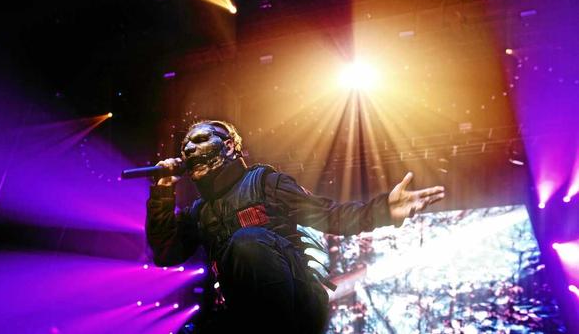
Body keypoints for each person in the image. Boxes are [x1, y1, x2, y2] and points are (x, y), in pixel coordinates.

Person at [146, 120, 445, 333]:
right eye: (185, 143)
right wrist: (161, 189)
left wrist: (384, 210)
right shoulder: (199, 211)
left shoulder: (265, 182)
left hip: (299, 303)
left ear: (228, 146)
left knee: (247, 242)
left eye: (200, 139)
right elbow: (165, 252)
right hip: (245, 313)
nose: (188, 148)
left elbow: (331, 216)